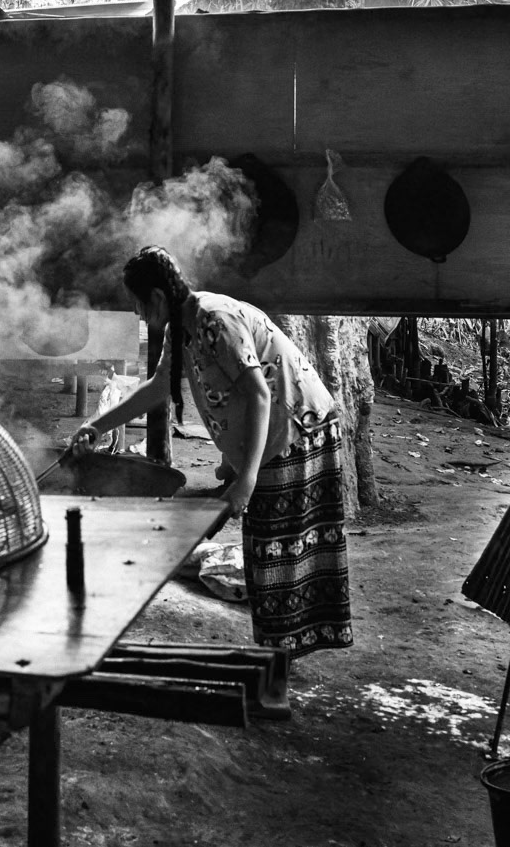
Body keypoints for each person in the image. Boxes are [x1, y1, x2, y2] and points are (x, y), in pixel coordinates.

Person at [71, 246, 353, 658]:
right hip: (275, 431)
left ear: (158, 298)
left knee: (275, 551)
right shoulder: (180, 329)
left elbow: (258, 395)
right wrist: (96, 426)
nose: (136, 314)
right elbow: (157, 388)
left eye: (137, 304)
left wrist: (247, 479)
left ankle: (279, 663)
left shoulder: (213, 319)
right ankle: (278, 658)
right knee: (267, 555)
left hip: (296, 427)